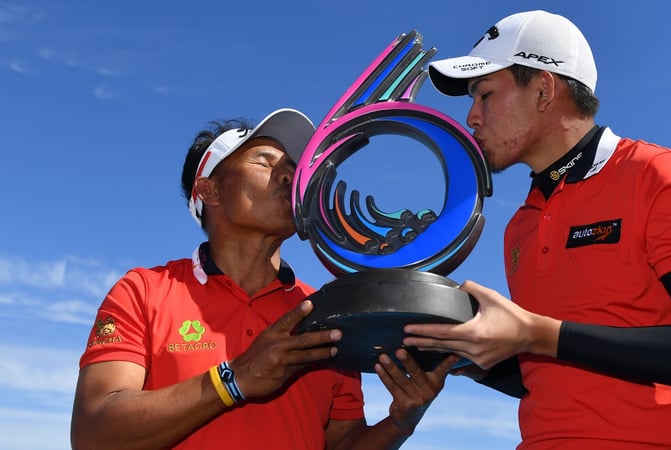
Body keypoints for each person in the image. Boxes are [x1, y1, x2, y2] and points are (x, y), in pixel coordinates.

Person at [403, 10, 671, 450]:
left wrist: (539, 334)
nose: (472, 118)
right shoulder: (520, 223)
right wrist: (465, 354)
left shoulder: (655, 174)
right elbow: (554, 372)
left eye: (484, 95)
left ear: (543, 89)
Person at [70, 108, 460, 450]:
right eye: (264, 161)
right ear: (209, 190)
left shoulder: (328, 309)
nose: (289, 175)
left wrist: (400, 422)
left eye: (293, 167)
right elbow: (93, 433)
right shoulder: (143, 290)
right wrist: (233, 380)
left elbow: (343, 442)